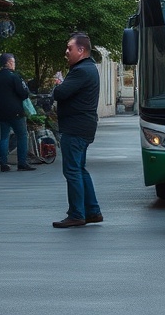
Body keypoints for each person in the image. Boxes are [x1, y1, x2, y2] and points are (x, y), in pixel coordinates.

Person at [50, 32, 102, 228]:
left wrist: (58, 86)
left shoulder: (81, 71)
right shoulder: (88, 68)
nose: (66, 52)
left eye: (69, 48)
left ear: (81, 50)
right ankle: (93, 211)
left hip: (75, 128)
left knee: (72, 171)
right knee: (80, 169)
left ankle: (77, 214)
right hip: (84, 126)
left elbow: (61, 93)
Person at [0, 52, 36, 172]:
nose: (14, 64)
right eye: (13, 62)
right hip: (16, 112)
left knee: (4, 137)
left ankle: (3, 163)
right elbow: (23, 93)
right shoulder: (15, 77)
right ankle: (22, 163)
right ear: (8, 63)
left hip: (1, 111)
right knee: (22, 136)